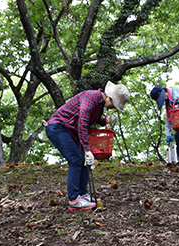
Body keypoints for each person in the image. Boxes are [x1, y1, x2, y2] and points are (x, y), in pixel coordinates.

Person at [45, 81, 129, 210]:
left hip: (69, 131)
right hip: (58, 128)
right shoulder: (91, 98)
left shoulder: (99, 105)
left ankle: (82, 194)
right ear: (109, 97)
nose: (114, 107)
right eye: (114, 104)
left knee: (84, 161)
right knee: (76, 160)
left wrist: (105, 121)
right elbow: (82, 123)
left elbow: (91, 119)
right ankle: (74, 199)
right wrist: (87, 149)